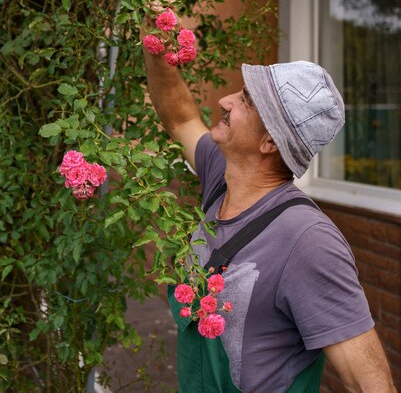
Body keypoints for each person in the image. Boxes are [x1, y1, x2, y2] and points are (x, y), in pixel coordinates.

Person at [143, 21, 397, 393]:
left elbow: (369, 385)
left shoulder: (308, 241)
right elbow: (180, 116)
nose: (225, 100)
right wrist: (157, 44)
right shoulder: (221, 176)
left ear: (269, 143)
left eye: (245, 100)